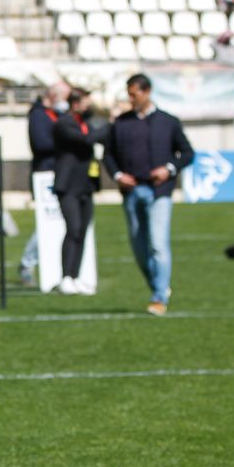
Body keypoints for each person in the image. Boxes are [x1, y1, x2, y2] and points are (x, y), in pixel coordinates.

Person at [102, 74, 193, 316]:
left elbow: (187, 153)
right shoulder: (121, 123)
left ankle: (159, 296)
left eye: (135, 94)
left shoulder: (168, 122)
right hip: (132, 191)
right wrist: (118, 175)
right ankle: (158, 285)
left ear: (147, 91)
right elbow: (107, 155)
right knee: (139, 247)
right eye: (129, 94)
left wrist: (169, 169)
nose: (131, 99)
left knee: (158, 244)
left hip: (159, 191)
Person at [20, 80, 69, 285]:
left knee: (60, 221)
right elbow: (41, 143)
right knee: (46, 222)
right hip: (45, 174)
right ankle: (27, 262)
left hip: (58, 172)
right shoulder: (38, 115)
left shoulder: (54, 114)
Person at [52, 88, 101, 295]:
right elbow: (85, 140)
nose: (88, 105)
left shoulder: (86, 123)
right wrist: (111, 124)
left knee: (82, 232)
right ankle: (65, 277)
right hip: (68, 186)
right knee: (73, 229)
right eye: (85, 101)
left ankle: (75, 276)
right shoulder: (63, 124)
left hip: (85, 186)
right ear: (75, 103)